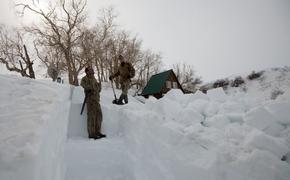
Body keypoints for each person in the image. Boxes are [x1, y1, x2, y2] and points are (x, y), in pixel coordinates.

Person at [81, 66, 106, 139]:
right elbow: (83, 85)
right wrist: (90, 88)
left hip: (96, 100)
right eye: (90, 70)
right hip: (90, 100)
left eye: (92, 70)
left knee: (99, 116)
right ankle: (91, 134)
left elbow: (98, 90)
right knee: (91, 117)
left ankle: (97, 132)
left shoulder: (94, 79)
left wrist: (99, 86)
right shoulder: (84, 79)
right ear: (87, 71)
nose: (92, 71)